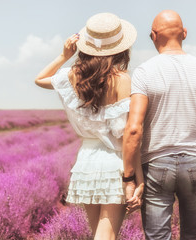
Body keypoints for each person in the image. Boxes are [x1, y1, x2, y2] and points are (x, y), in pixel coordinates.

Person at [34, 13, 143, 240]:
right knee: (106, 235)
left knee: (98, 234)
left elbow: (40, 79)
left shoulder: (73, 76)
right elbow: (124, 136)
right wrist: (136, 178)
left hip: (86, 161)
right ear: (121, 48)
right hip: (114, 162)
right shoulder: (122, 79)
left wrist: (63, 56)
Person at [123, 10, 196, 240]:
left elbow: (133, 129)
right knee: (193, 236)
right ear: (185, 34)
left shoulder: (144, 72)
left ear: (153, 35)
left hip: (156, 165)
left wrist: (129, 178)